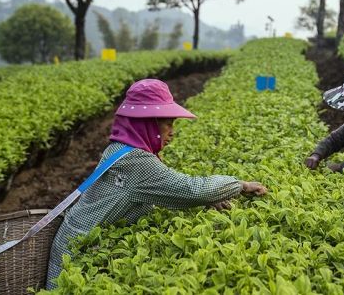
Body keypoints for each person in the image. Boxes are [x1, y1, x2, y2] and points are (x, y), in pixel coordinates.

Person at [46, 79, 267, 289]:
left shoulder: (120, 148)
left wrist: (212, 197)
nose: (172, 132)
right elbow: (192, 189)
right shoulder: (136, 162)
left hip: (75, 244)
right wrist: (240, 185)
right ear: (147, 125)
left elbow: (159, 192)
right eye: (168, 124)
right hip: (75, 260)